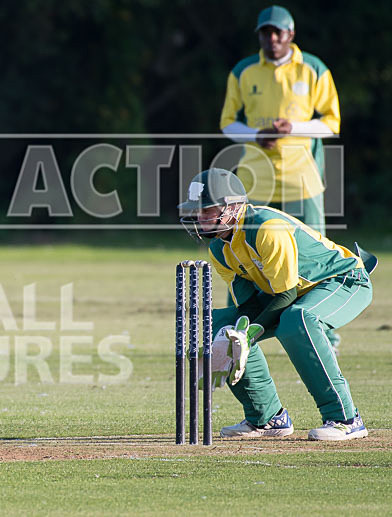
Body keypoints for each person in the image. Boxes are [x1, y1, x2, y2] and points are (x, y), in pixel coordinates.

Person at [179, 168, 377, 441]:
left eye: (208, 210)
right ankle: (268, 418)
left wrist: (248, 336)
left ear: (234, 207)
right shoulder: (219, 249)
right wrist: (236, 333)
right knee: (219, 326)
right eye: (196, 210)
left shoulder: (266, 227)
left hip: (343, 280)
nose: (200, 218)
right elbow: (248, 305)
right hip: (289, 293)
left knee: (298, 320)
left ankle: (346, 419)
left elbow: (285, 296)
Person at [220, 5, 340, 236]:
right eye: (266, 33)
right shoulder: (243, 71)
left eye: (278, 32)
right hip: (255, 177)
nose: (272, 39)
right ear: (259, 36)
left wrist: (292, 128)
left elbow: (331, 123)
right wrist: (256, 135)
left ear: (291, 34)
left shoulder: (313, 68)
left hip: (301, 179)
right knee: (251, 249)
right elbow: (227, 123)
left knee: (313, 249)